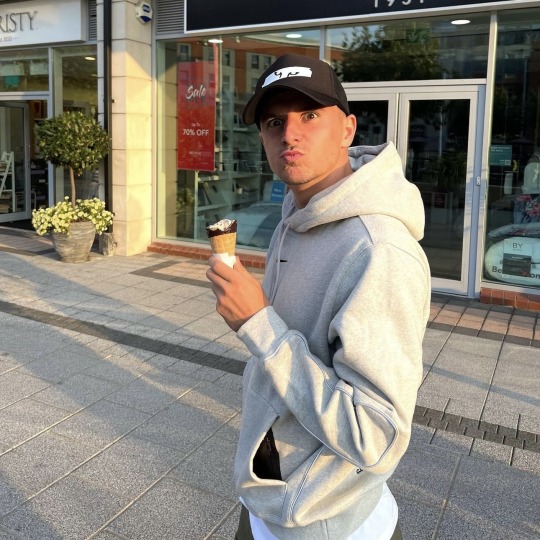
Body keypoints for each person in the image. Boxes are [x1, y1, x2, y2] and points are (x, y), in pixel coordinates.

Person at [206, 53, 431, 540]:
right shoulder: (294, 215)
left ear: (348, 129)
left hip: (322, 519)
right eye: (274, 122)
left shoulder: (378, 251)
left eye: (309, 115)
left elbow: (375, 436)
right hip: (273, 495)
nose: (289, 134)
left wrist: (258, 323)